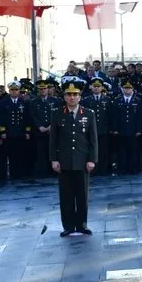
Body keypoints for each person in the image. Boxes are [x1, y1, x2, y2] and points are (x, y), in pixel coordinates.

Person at [50, 84, 97, 236]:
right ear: (64, 97)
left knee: (82, 195)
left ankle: (82, 224)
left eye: (75, 95)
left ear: (79, 97)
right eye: (69, 95)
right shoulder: (57, 113)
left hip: (82, 160)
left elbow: (93, 140)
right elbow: (53, 140)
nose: (72, 97)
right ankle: (68, 226)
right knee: (66, 195)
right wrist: (54, 159)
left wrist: (92, 159)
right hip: (64, 161)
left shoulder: (88, 114)